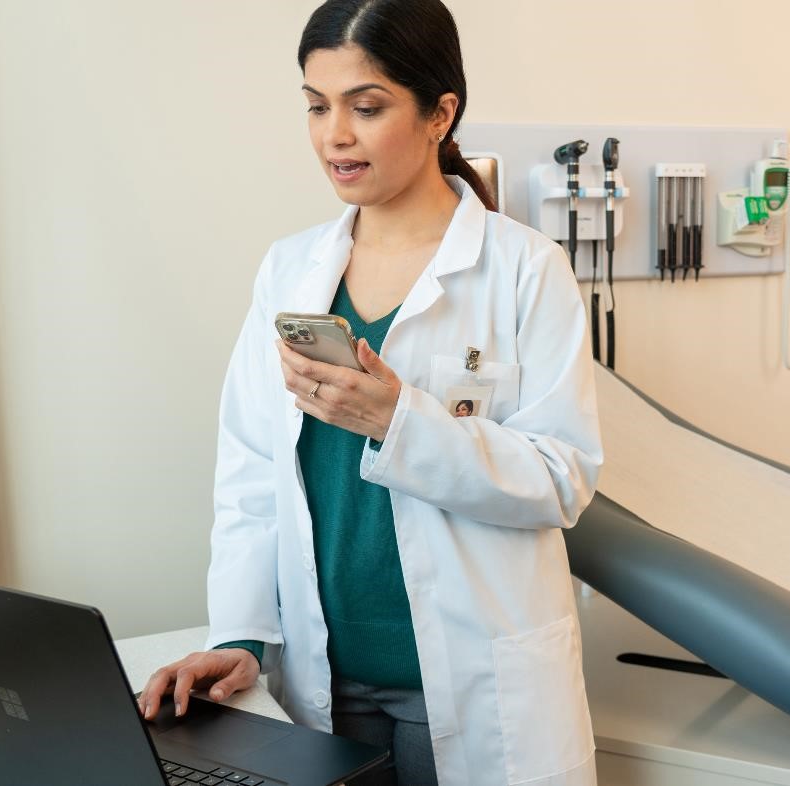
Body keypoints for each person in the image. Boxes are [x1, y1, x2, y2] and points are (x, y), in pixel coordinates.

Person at [136, 1, 603, 784]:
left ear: (438, 113)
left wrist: (398, 420)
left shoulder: (525, 269)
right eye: (317, 106)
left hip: (467, 676)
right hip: (323, 678)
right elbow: (251, 476)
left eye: (367, 106)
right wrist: (244, 638)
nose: (334, 136)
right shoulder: (289, 270)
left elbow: (561, 479)